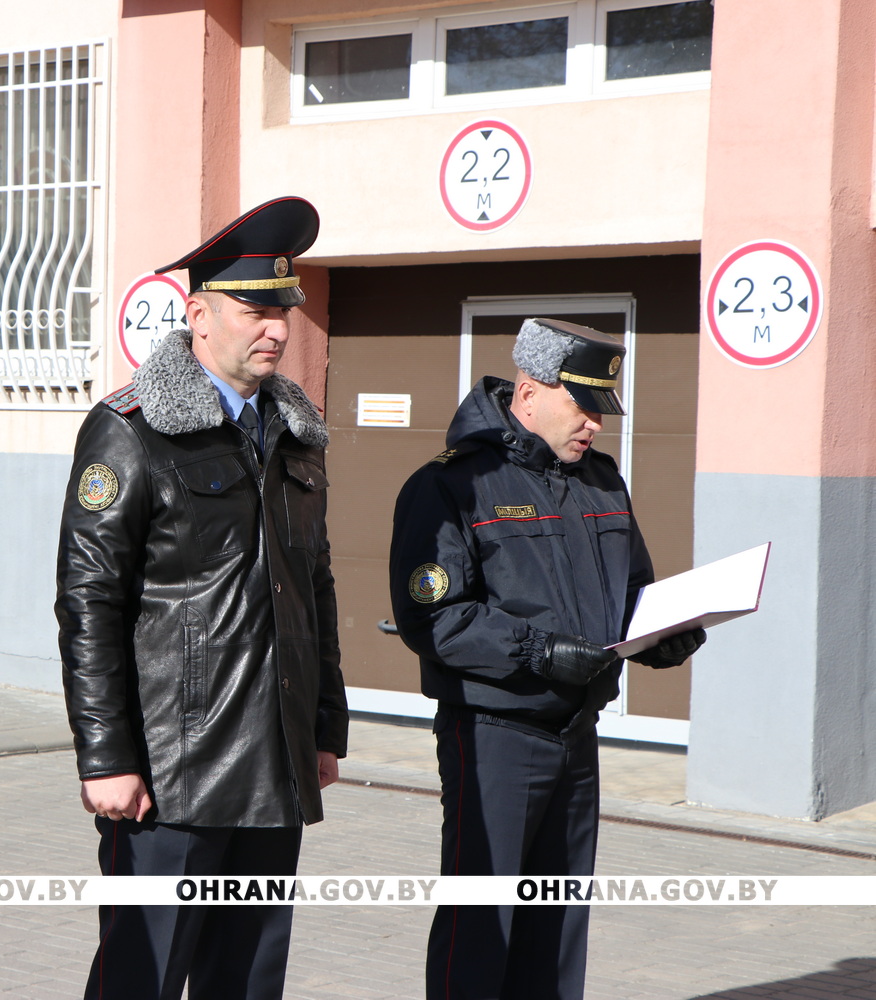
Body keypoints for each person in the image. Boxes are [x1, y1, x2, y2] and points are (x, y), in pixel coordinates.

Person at [55, 196, 348, 1000]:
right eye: (255, 309)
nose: (277, 329)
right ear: (198, 314)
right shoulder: (132, 429)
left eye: (283, 310)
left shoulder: (297, 432)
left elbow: (312, 589)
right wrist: (107, 755)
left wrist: (323, 726)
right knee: (140, 979)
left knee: (249, 980)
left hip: (273, 764)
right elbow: (89, 601)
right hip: (169, 773)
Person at [389, 317, 706, 1000]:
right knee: (484, 925)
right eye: (582, 404)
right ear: (528, 393)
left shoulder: (600, 482)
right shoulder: (452, 486)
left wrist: (661, 636)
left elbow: (629, 593)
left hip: (576, 734)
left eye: (602, 407)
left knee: (557, 923)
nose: (595, 422)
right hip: (495, 736)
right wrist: (539, 651)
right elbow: (435, 618)